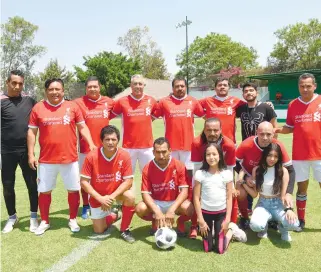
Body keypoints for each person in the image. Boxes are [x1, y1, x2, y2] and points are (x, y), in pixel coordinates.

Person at [27, 78, 96, 235]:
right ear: (46, 91)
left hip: (70, 159)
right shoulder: (38, 108)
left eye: (57, 89)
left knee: (73, 189)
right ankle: (45, 221)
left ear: (63, 91)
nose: (54, 92)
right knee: (44, 191)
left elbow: (82, 127)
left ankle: (72, 219)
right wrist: (31, 154)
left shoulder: (72, 107)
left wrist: (91, 143)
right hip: (46, 160)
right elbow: (32, 132)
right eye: (51, 89)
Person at [275, 73, 321, 231]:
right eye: (302, 86)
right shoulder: (293, 104)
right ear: (298, 87)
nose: (305, 89)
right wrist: (277, 129)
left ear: (314, 86)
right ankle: (301, 220)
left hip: (320, 154)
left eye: (308, 86)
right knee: (301, 188)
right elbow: (290, 127)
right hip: (300, 155)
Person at [80, 125, 136, 243]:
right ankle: (115, 214)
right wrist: (100, 198)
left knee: (130, 196)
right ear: (102, 141)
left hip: (116, 194)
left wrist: (111, 197)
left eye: (113, 139)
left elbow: (128, 181)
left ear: (118, 141)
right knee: (99, 230)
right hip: (98, 196)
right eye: (107, 139)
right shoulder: (91, 156)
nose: (110, 142)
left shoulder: (124, 155)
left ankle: (124, 229)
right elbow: (84, 182)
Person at [235, 122, 295, 230]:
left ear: (273, 134)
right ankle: (244, 218)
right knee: (240, 193)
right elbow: (234, 162)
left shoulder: (278, 145)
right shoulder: (247, 144)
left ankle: (273, 217)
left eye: (268, 134)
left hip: (269, 178)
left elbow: (290, 169)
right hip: (250, 175)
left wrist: (288, 193)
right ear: (256, 133)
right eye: (262, 134)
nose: (265, 138)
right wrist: (245, 178)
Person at [1, 70, 38, 233]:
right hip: (6, 152)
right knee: (8, 186)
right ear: (7, 82)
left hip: (26, 151)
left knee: (32, 185)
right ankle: (12, 217)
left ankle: (33, 217)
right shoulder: (1, 102)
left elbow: (43, 114)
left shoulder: (29, 100)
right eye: (14, 83)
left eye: (20, 84)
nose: (17, 87)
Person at [74, 76, 115, 219]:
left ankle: (107, 203)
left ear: (100, 87)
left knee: (105, 178)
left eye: (95, 86)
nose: (92, 89)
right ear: (86, 88)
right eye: (89, 87)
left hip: (106, 150)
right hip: (85, 149)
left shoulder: (109, 102)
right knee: (85, 179)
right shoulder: (78, 103)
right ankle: (85, 206)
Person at [193, 143, 246, 253]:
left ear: (220, 156)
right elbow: (196, 197)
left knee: (220, 250)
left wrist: (227, 219)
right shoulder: (200, 174)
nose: (211, 157)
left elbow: (229, 198)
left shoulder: (226, 174)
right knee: (208, 249)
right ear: (204, 157)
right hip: (205, 213)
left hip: (221, 214)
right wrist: (201, 220)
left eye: (214, 154)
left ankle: (231, 230)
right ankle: (208, 232)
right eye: (208, 154)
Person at [135, 137, 194, 237]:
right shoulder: (148, 168)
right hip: (156, 202)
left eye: (164, 152)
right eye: (158, 152)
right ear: (153, 152)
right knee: (140, 208)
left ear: (170, 151)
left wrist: (172, 210)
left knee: (189, 208)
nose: (161, 156)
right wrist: (157, 211)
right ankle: (155, 220)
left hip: (174, 201)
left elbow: (184, 191)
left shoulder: (178, 165)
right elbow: (145, 193)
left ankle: (180, 222)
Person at [236, 82, 278, 220]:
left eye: (251, 90)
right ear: (243, 94)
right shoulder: (241, 108)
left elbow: (274, 129)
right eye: (246, 91)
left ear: (257, 92)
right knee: (248, 183)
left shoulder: (266, 107)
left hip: (264, 151)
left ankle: (271, 214)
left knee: (267, 182)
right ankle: (246, 215)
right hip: (248, 150)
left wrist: (272, 148)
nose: (249, 93)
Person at [242, 143, 299, 241]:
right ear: (265, 155)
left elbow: (284, 196)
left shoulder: (283, 171)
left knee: (294, 224)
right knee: (255, 225)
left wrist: (289, 209)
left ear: (279, 158)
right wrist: (243, 183)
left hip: (278, 204)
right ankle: (264, 228)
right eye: (269, 155)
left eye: (275, 156)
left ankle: (283, 229)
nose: (272, 159)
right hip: (263, 204)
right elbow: (255, 194)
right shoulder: (257, 170)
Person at [111, 75, 157, 192]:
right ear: (130, 86)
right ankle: (126, 203)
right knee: (125, 177)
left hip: (147, 147)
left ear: (144, 85)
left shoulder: (151, 100)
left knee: (149, 176)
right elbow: (110, 114)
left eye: (140, 84)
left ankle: (150, 202)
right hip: (128, 147)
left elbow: (154, 115)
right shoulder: (122, 101)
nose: (138, 86)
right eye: (135, 84)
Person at [190, 118, 238, 230]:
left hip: (221, 175)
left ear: (221, 130)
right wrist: (199, 187)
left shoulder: (229, 145)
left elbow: (230, 169)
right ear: (204, 130)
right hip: (202, 175)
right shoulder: (197, 143)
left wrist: (232, 187)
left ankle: (230, 224)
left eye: (215, 130)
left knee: (232, 194)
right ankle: (194, 224)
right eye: (209, 130)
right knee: (194, 195)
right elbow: (197, 168)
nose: (212, 133)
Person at [153, 77, 204, 170]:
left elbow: (205, 117)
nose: (180, 88)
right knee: (172, 172)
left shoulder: (193, 101)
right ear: (173, 88)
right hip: (170, 146)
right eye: (177, 86)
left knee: (188, 172)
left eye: (182, 86)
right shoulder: (164, 102)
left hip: (188, 146)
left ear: (186, 87)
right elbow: (150, 118)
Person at [200, 78, 245, 143]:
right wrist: (204, 115)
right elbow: (194, 106)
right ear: (215, 88)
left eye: (225, 85)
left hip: (230, 140)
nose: (222, 87)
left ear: (229, 88)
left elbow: (250, 105)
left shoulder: (236, 101)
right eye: (219, 85)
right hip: (211, 140)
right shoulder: (207, 100)